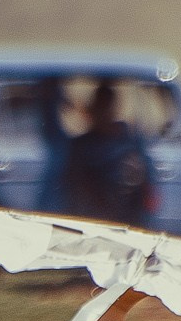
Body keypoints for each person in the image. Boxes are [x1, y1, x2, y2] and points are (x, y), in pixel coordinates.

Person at [63, 81, 152, 225]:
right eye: (100, 108)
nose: (103, 114)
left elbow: (138, 177)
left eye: (106, 108)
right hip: (92, 214)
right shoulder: (81, 145)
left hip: (125, 211)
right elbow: (78, 181)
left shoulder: (127, 140)